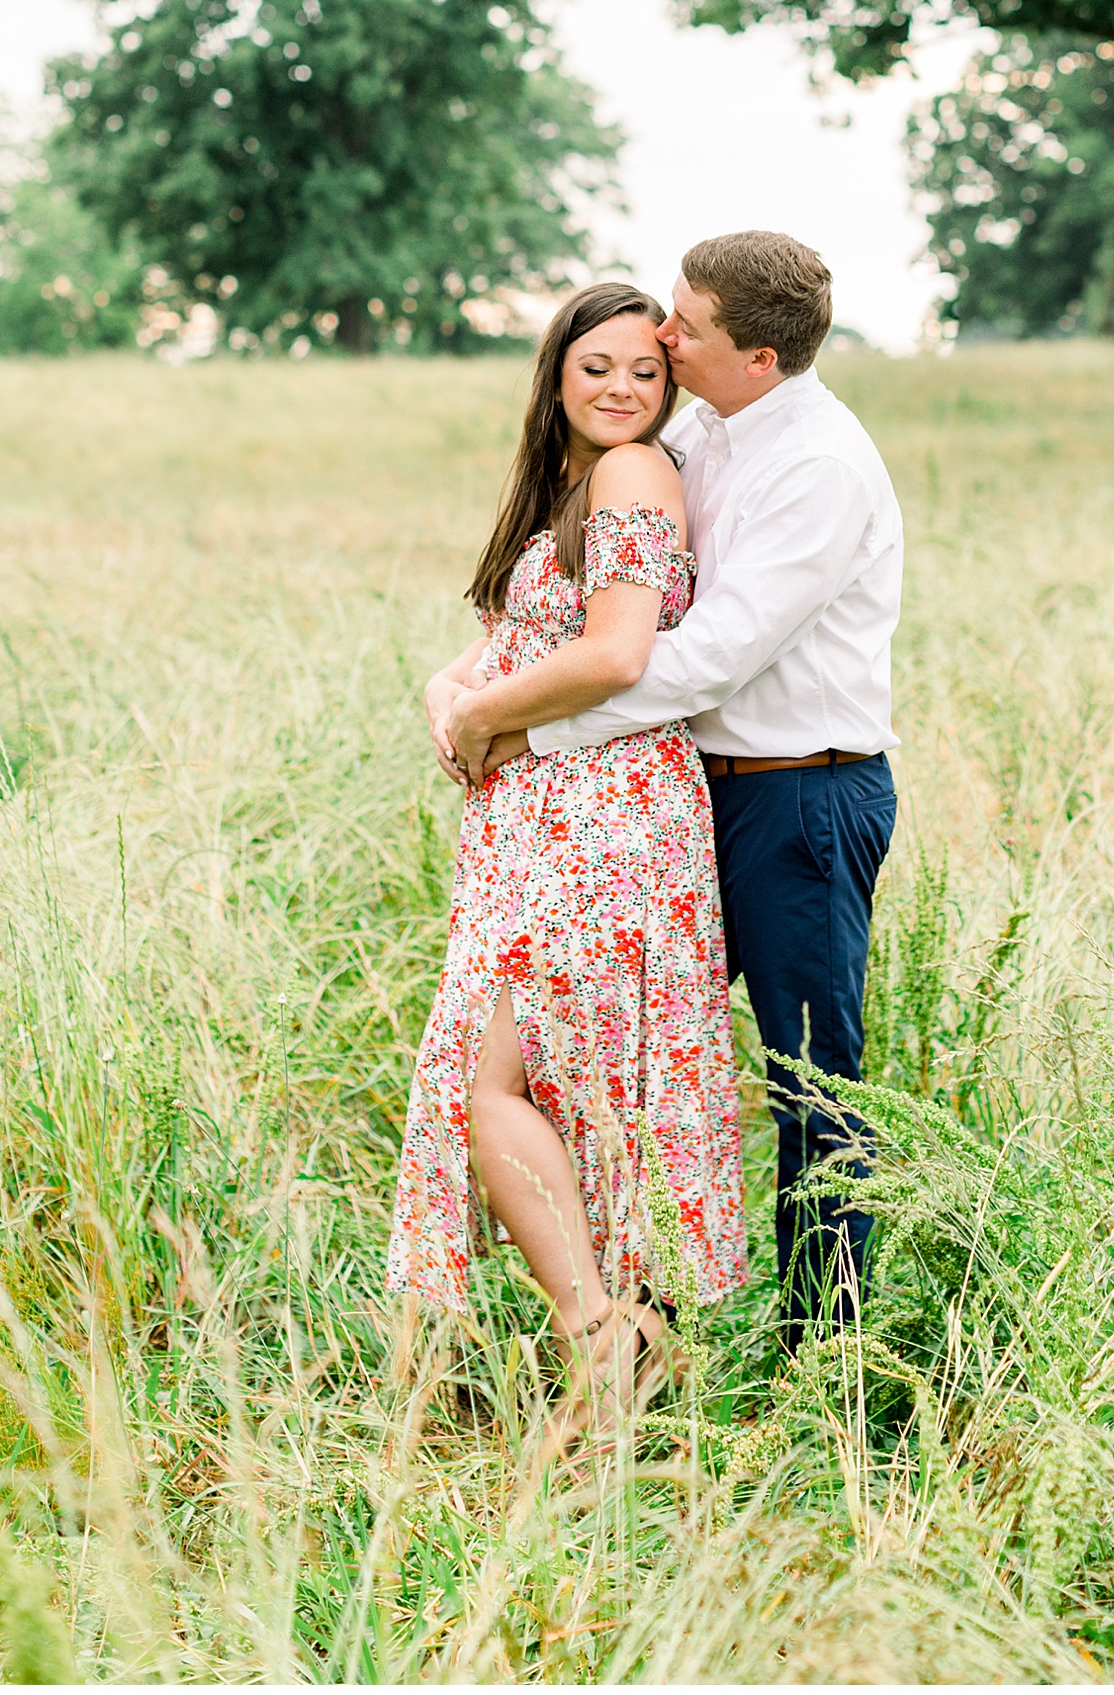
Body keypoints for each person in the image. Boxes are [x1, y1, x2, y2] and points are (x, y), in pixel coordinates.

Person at [445, 231, 903, 1348]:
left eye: (684, 328)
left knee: (810, 1082)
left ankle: (826, 1358)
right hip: (689, 791)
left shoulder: (820, 468)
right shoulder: (702, 423)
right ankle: (625, 1327)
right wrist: (477, 683)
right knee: (623, 1051)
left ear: (757, 356)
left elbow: (706, 657)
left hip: (804, 800)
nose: (660, 336)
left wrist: (525, 729)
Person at [389, 282, 747, 1452]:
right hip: (542, 819)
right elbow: (503, 648)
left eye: (646, 372)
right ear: (556, 372)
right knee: (547, 1080)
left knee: (494, 1078)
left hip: (604, 817)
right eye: (598, 366)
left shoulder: (637, 475)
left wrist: (487, 713)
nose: (621, 390)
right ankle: (610, 1338)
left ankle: (604, 1336)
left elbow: (615, 650)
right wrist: (455, 698)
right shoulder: (567, 489)